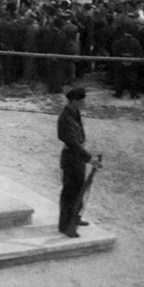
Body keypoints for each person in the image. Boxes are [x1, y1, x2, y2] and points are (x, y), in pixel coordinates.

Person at [57, 87, 99, 238]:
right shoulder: (66, 118)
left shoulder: (74, 112)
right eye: (81, 101)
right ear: (74, 101)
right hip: (71, 158)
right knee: (70, 192)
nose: (84, 104)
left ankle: (75, 218)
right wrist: (89, 158)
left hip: (77, 158)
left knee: (79, 189)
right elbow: (73, 143)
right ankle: (65, 225)